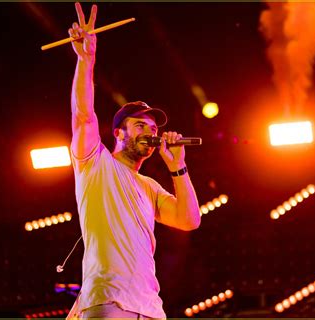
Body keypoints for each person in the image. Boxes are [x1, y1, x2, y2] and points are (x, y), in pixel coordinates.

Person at [66, 3, 201, 319]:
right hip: (109, 301)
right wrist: (86, 60)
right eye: (140, 125)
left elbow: (189, 219)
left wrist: (177, 167)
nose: (150, 131)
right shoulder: (95, 163)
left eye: (154, 128)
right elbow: (83, 115)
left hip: (149, 307)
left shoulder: (149, 185)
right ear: (118, 133)